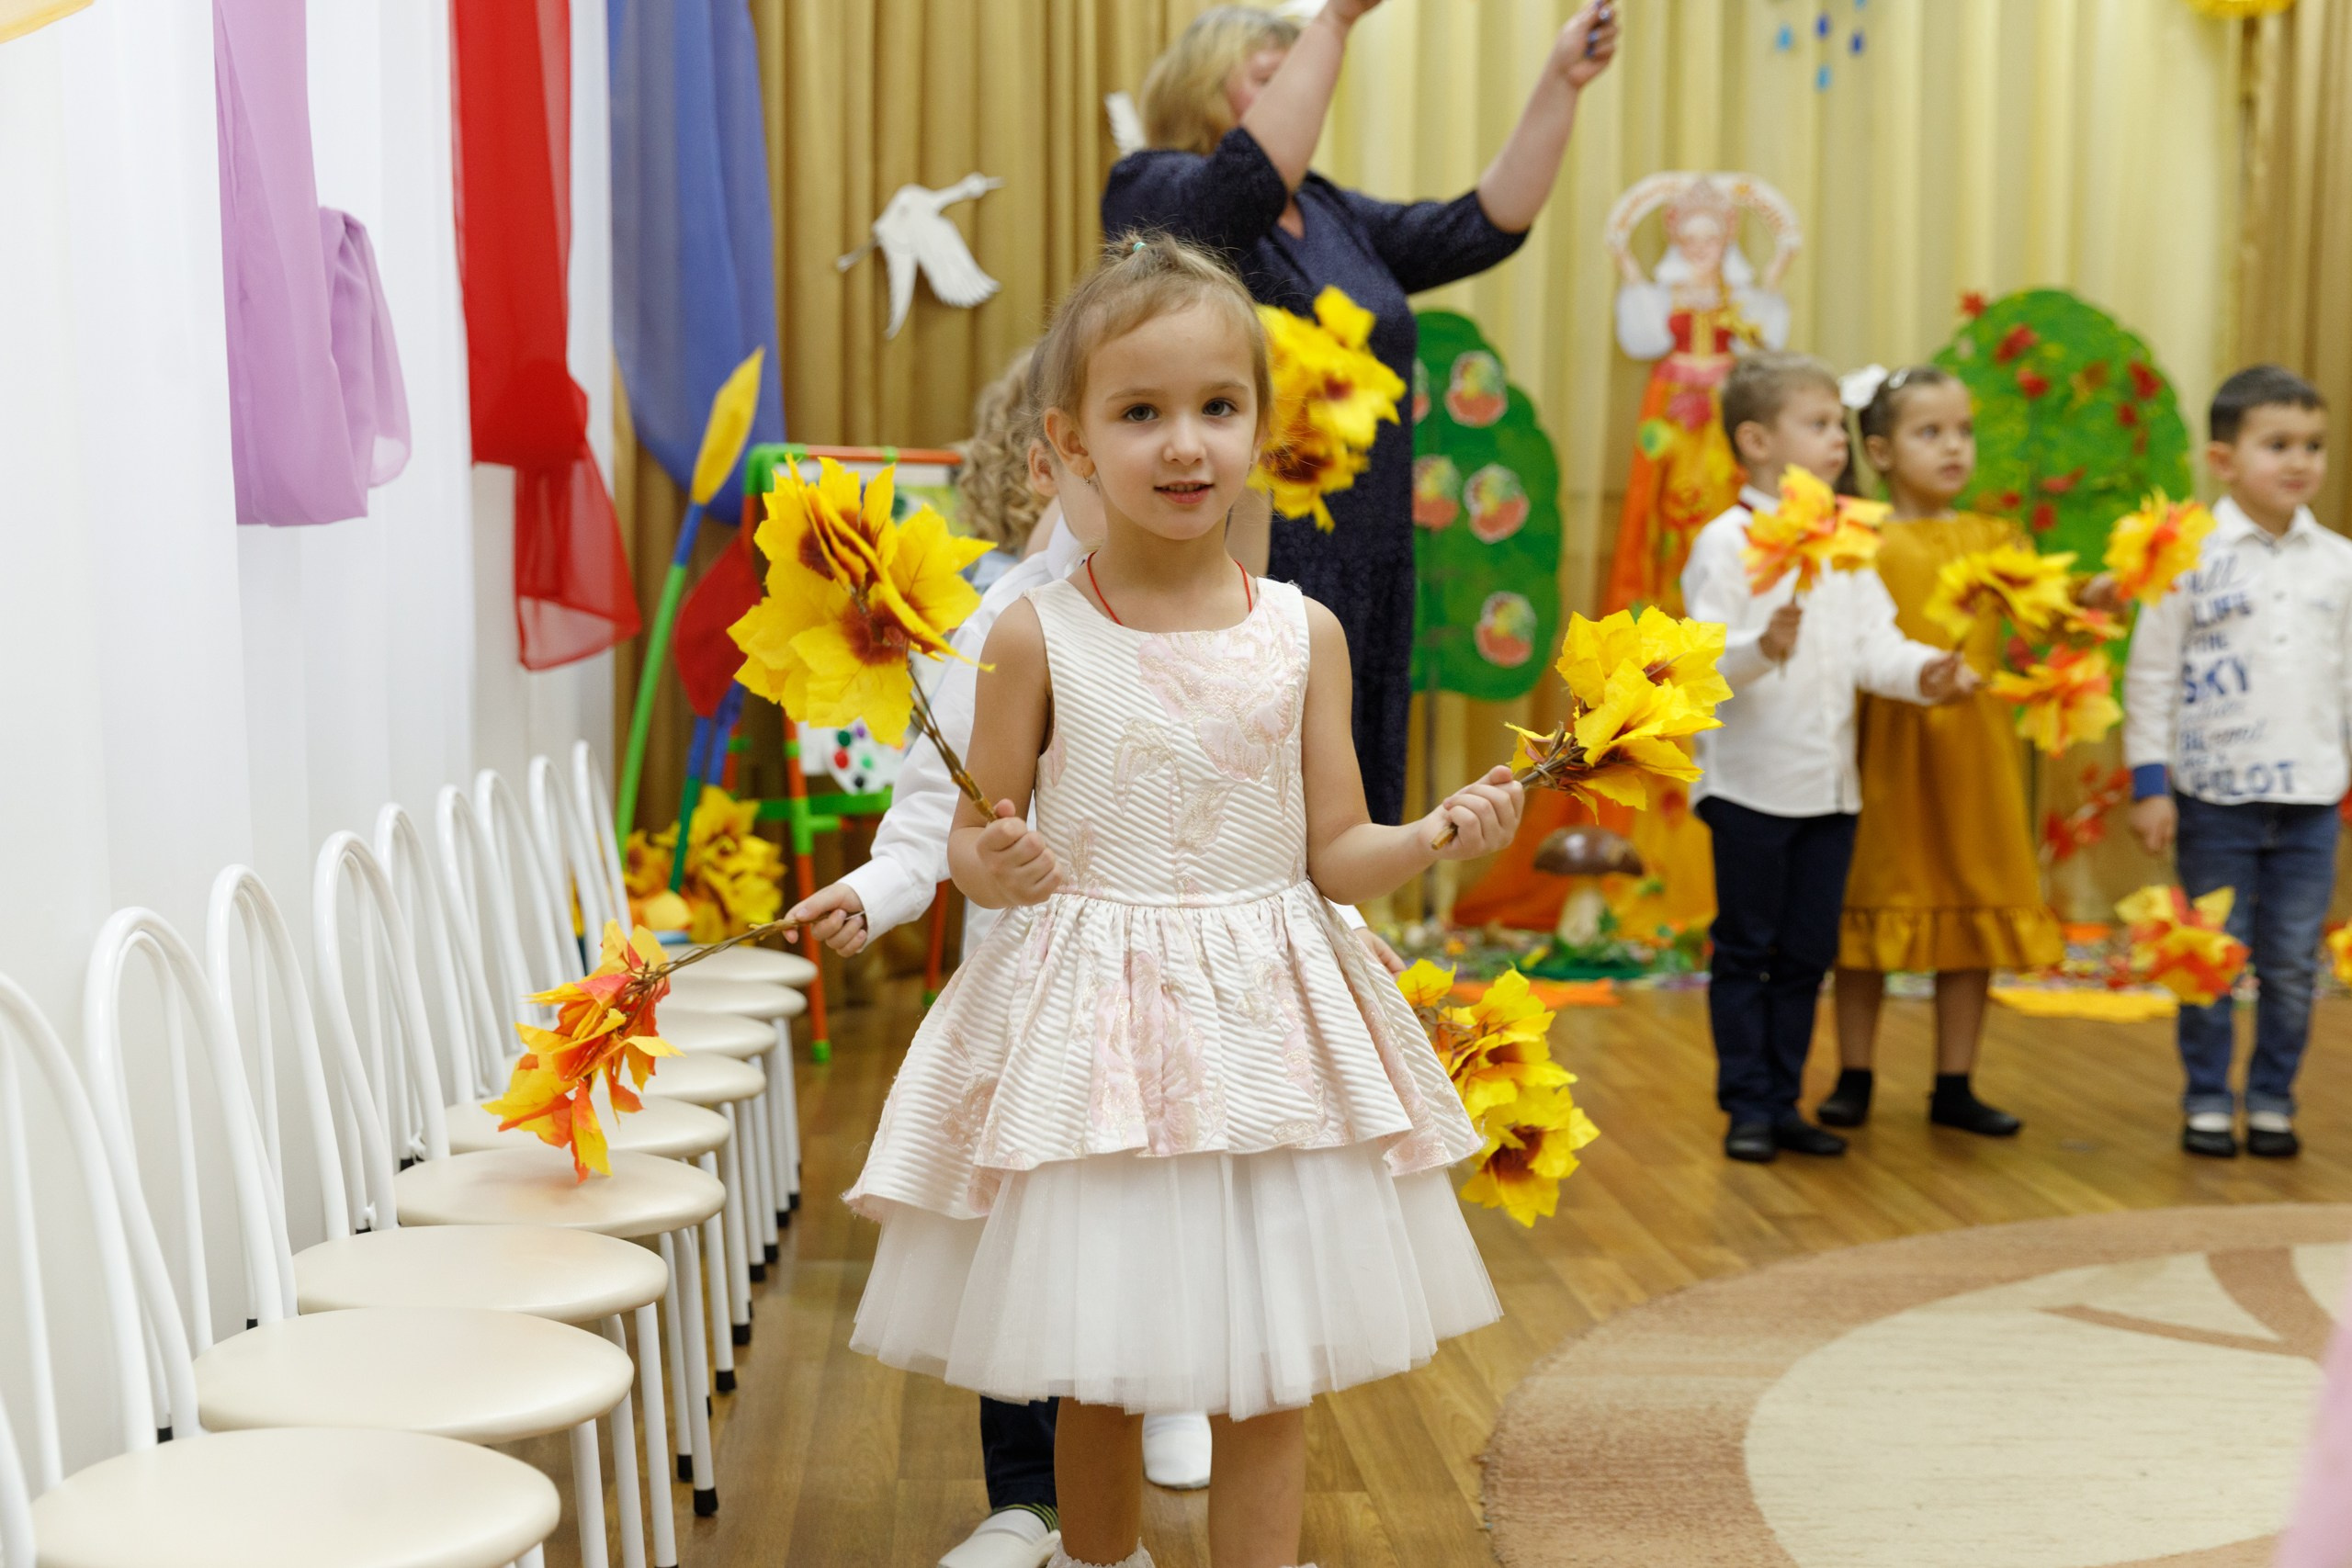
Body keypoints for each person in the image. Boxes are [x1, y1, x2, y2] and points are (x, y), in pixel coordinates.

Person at [842, 235, 1519, 1568]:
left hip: (1269, 1027)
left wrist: (1432, 833)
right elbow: (978, 840)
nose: (1183, 444)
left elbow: (1333, 849)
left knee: (1268, 1370)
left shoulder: (1302, 632)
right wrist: (1004, 861)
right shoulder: (1034, 633)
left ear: (1263, 429)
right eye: (1139, 412)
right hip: (1094, 1030)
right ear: (1071, 439)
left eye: (1216, 407)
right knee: (1098, 1359)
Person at [1101, 0, 1618, 828]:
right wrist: (1335, 22)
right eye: (1273, 75)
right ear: (1203, 92)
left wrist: (1561, 82)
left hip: (1373, 545)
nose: (1309, 87)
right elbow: (1243, 183)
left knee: (1352, 798)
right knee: (1255, 800)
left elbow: (1480, 226)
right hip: (1257, 549)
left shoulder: (1330, 210)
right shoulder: (1153, 188)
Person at [1680, 354, 1974, 1165]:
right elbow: (1697, 655)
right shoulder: (1725, 541)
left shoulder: (1848, 539)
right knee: (1747, 950)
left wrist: (1925, 672)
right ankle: (1746, 1103)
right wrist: (1757, 647)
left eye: (1834, 425)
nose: (1835, 440)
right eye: (1816, 425)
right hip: (1748, 789)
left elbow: (1873, 643)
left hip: (1829, 793)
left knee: (1807, 956)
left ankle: (1784, 1100)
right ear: (1757, 440)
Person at [1826, 366, 2077, 1137]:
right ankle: (1855, 1073)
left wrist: (2086, 600)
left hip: (1973, 755)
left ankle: (1955, 1081)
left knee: (1973, 905)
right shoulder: (1855, 537)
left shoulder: (1995, 537)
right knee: (1868, 907)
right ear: (1880, 448)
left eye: (1963, 432)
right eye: (1929, 433)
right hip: (1885, 750)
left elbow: (2044, 613)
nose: (1953, 447)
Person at [2124, 364, 2344, 1159]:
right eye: (2277, 443)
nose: (2300, 461)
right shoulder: (2185, 557)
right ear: (2223, 460)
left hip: (2311, 802)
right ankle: (2209, 1098)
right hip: (2212, 798)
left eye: (2313, 445)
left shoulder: (2339, 565)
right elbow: (2149, 675)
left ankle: (2274, 1098)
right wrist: (2151, 784)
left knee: (2290, 963)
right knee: (2211, 958)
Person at [1600, 169, 1799, 615]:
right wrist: (1630, 271)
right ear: (1679, 241)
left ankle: (1731, 602)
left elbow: (1763, 339)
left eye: (1709, 241)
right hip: (1671, 407)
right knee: (1666, 498)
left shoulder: (1737, 294)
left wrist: (1775, 275)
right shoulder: (1668, 293)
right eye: (1691, 241)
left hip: (1726, 404)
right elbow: (1644, 339)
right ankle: (1666, 605)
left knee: (1728, 487)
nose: (1700, 250)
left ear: (1725, 240)